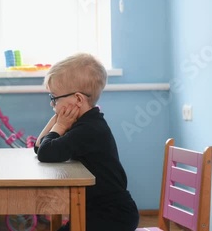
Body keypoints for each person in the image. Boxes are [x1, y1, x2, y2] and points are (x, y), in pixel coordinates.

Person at [33, 53, 139, 231]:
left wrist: (60, 124)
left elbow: (45, 153)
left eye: (54, 98)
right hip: (97, 212)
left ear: (78, 99)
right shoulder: (84, 122)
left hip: (112, 216)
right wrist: (58, 118)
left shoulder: (88, 130)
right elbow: (39, 146)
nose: (52, 104)